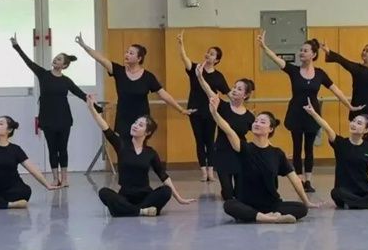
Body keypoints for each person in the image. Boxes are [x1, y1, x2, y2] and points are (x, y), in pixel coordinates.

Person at [258, 31, 362, 193]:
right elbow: (276, 59)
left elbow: (336, 90)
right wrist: (264, 46)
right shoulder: (293, 70)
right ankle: (299, 179)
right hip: (296, 113)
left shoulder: (320, 74)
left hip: (312, 114)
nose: (301, 52)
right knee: (297, 147)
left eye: (305, 50)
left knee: (309, 148)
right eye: (301, 50)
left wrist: (349, 106)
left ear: (313, 54)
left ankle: (308, 180)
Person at [209, 95, 321, 224]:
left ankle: (262, 216)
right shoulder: (244, 148)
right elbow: (228, 130)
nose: (257, 123)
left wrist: (306, 201)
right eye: (256, 121)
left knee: (301, 208)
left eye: (262, 122)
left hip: (271, 204)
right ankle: (270, 218)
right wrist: (214, 113)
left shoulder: (277, 154)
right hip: (247, 204)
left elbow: (294, 179)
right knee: (229, 205)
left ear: (270, 129)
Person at [11, 33, 100, 187]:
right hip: (47, 119)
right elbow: (28, 62)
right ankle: (55, 178)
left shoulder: (66, 81)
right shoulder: (43, 74)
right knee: (52, 149)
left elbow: (81, 94)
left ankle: (64, 179)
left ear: (64, 66)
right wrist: (16, 46)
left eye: (59, 59)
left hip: (64, 119)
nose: (55, 60)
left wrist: (97, 107)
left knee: (62, 149)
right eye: (56, 58)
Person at [86, 94, 196, 217]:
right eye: (135, 123)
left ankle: (128, 210)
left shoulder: (151, 153)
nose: (135, 126)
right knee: (103, 192)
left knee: (166, 191)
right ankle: (141, 211)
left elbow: (164, 176)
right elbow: (105, 128)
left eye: (140, 125)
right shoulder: (121, 145)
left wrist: (179, 198)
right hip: (125, 196)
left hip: (145, 197)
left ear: (147, 132)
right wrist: (91, 108)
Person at [75, 32, 193, 137]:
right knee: (123, 149)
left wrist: (180, 109)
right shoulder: (118, 71)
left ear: (139, 58)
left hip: (141, 120)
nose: (127, 54)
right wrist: (84, 46)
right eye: (127, 52)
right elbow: (100, 59)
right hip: (123, 119)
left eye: (131, 53)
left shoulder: (148, 77)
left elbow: (164, 95)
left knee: (139, 149)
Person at [301, 98, 368, 209]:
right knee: (336, 192)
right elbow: (327, 127)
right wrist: (313, 113)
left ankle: (356, 203)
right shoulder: (340, 143)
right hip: (345, 192)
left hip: (366, 192)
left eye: (359, 123)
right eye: (353, 121)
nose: (353, 124)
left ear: (366, 130)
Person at [195, 62, 255, 200]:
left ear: (245, 95)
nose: (234, 90)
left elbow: (260, 135)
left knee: (240, 194)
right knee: (228, 193)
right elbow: (208, 90)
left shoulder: (249, 116)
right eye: (234, 87)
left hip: (240, 154)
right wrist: (200, 77)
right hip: (222, 152)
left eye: (239, 89)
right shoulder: (223, 106)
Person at [177, 31, 230, 181]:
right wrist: (181, 44)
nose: (208, 55)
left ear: (217, 60)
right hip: (195, 110)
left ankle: (211, 171)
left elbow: (228, 93)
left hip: (211, 111)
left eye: (212, 54)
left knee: (210, 141)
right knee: (199, 141)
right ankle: (203, 172)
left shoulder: (218, 76)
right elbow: (184, 58)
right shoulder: (196, 68)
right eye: (208, 52)